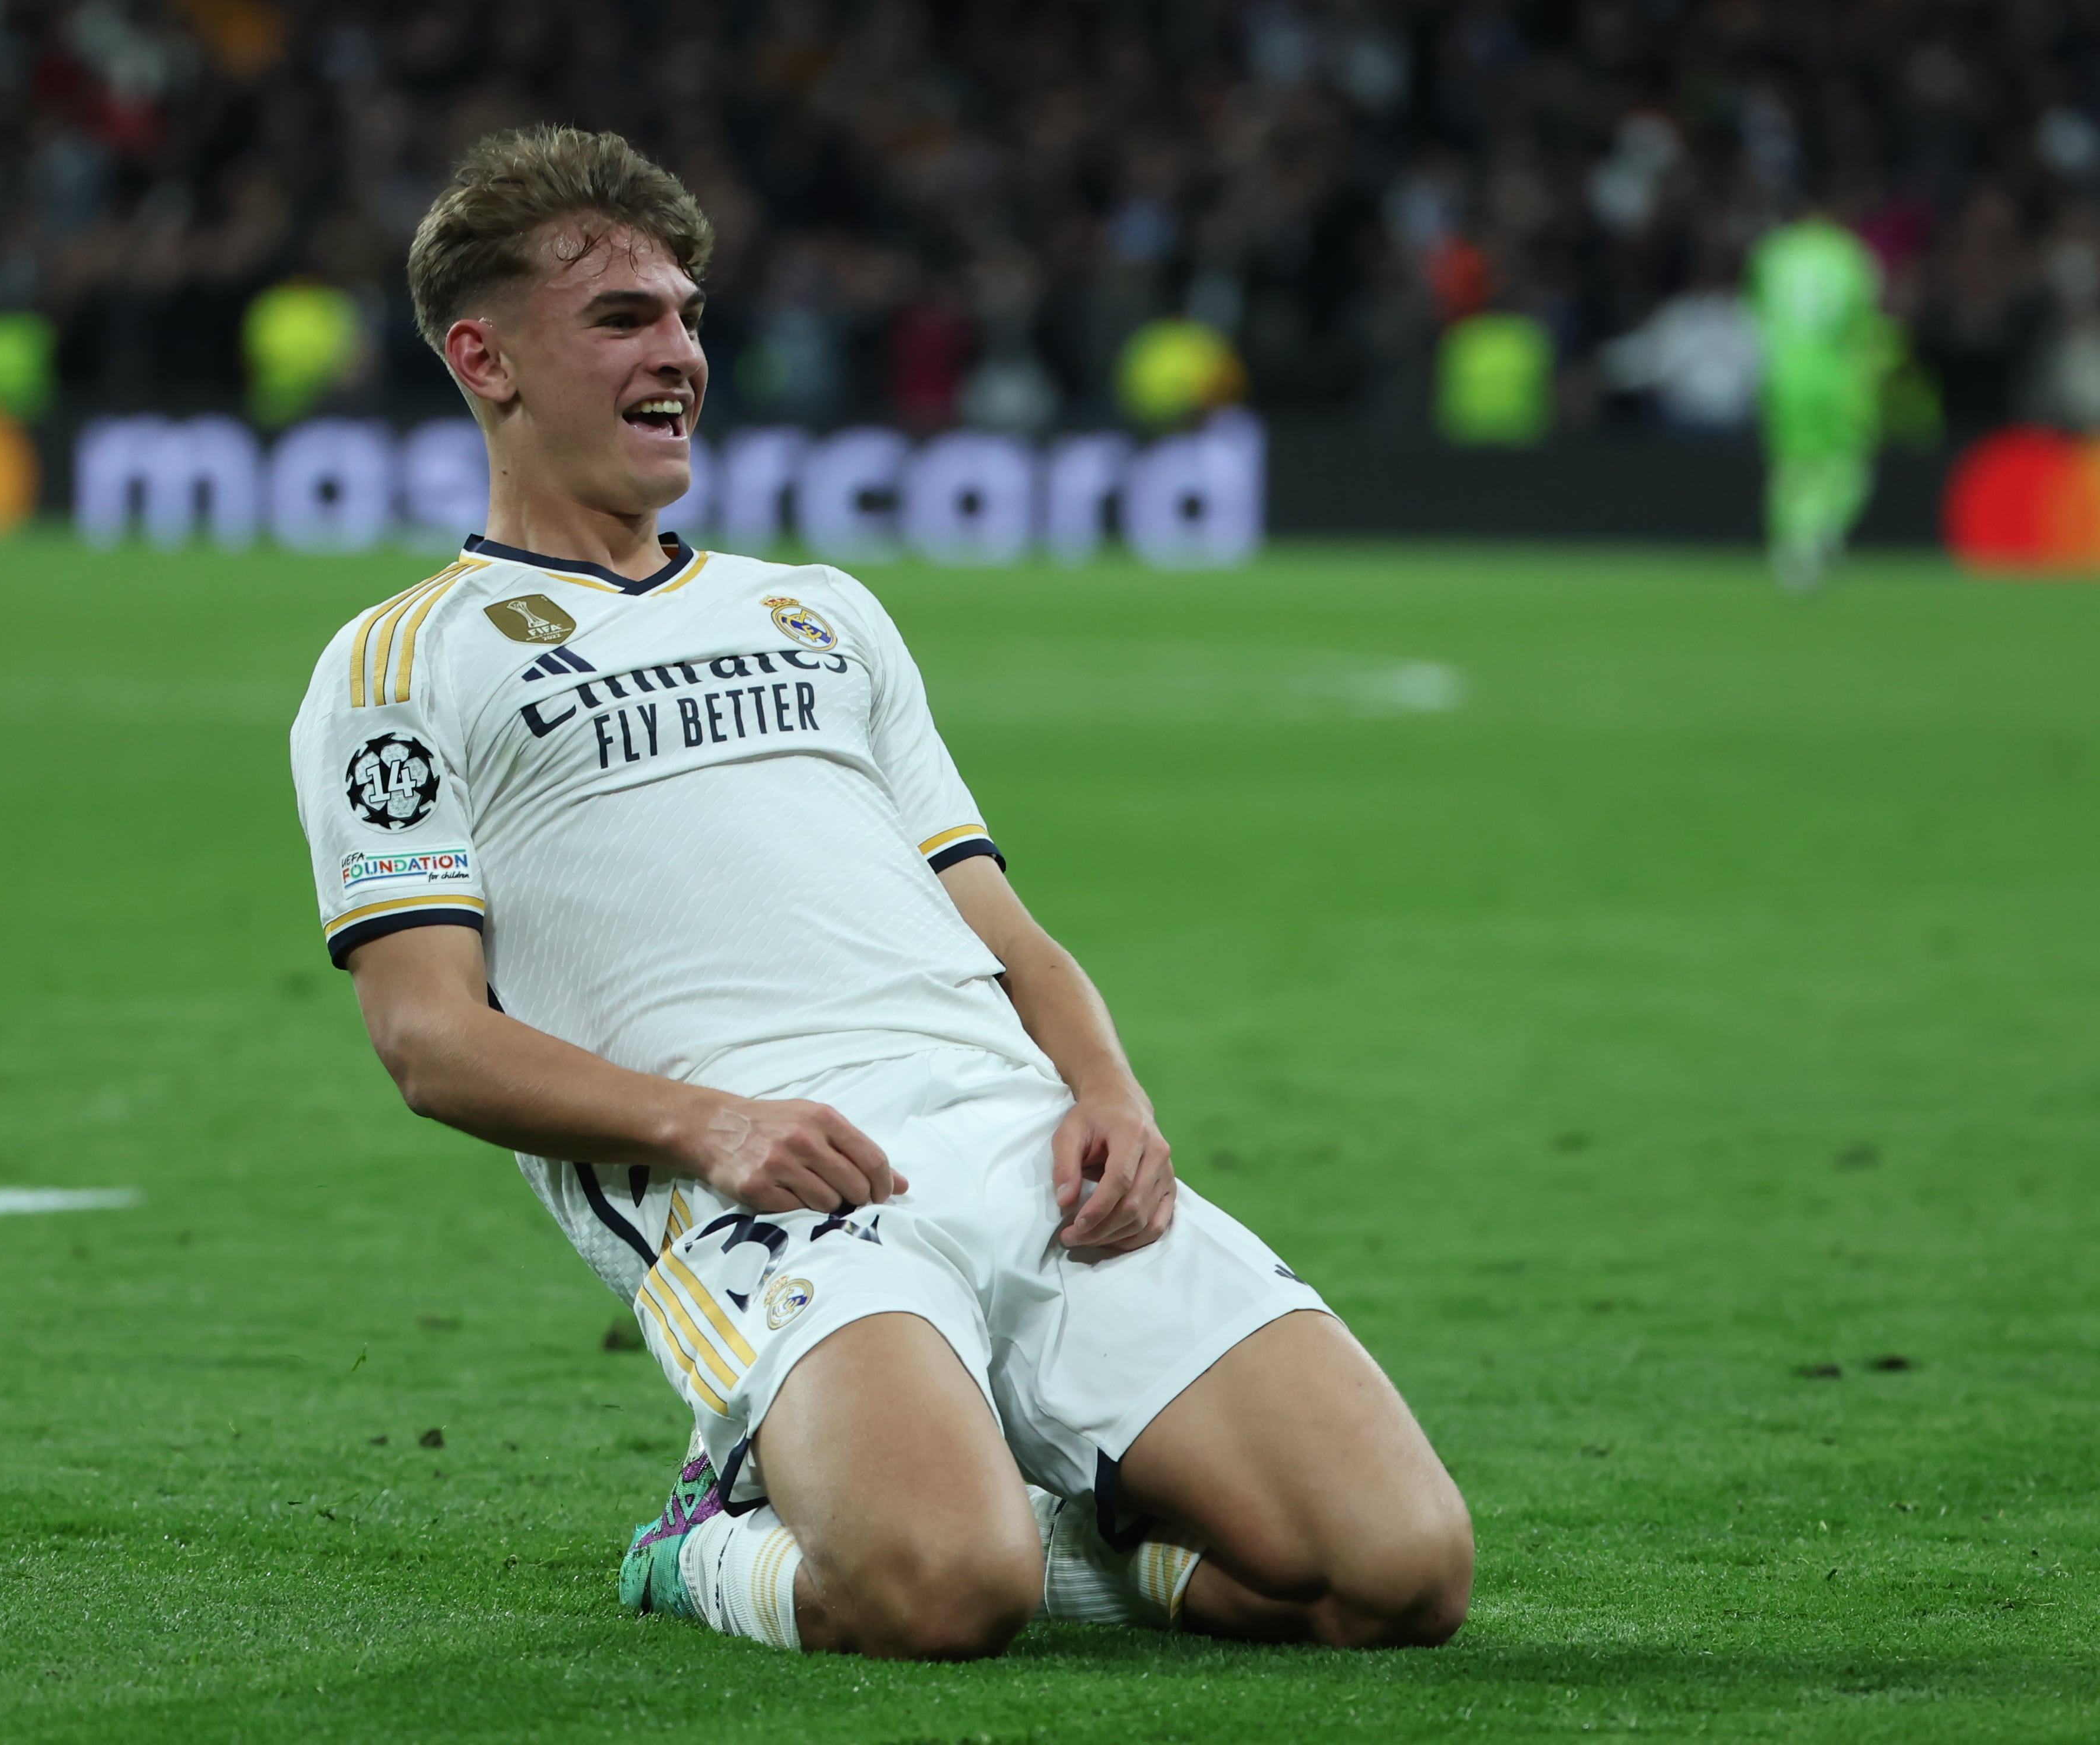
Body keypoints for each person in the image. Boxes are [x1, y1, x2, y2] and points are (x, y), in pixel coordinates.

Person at [288, 126, 1472, 1660]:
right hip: (773, 1197)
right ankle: (714, 1537)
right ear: (484, 357)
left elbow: (997, 921)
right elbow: (428, 1043)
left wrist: (1111, 1092)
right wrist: (712, 1127)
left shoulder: (820, 614)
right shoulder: (404, 666)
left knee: (1399, 1575)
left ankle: (1058, 1536)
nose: (680, 351)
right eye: (623, 318)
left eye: (688, 314)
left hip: (1021, 1143)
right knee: (937, 1594)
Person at [1747, 210, 1891, 590]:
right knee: (1846, 461)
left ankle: (1793, 545)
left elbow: (1757, 312)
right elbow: (1865, 317)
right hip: (1837, 373)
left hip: (1784, 372)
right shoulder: (1851, 254)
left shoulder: (1775, 252)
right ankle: (1824, 532)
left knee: (1793, 464)